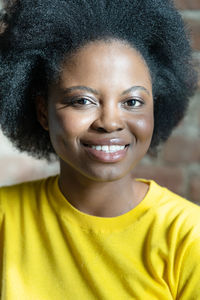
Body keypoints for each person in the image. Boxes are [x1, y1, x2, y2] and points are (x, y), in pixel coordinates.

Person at [0, 0, 199, 299]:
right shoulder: (5, 218)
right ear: (42, 111)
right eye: (83, 101)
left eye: (132, 102)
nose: (109, 122)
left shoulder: (187, 236)